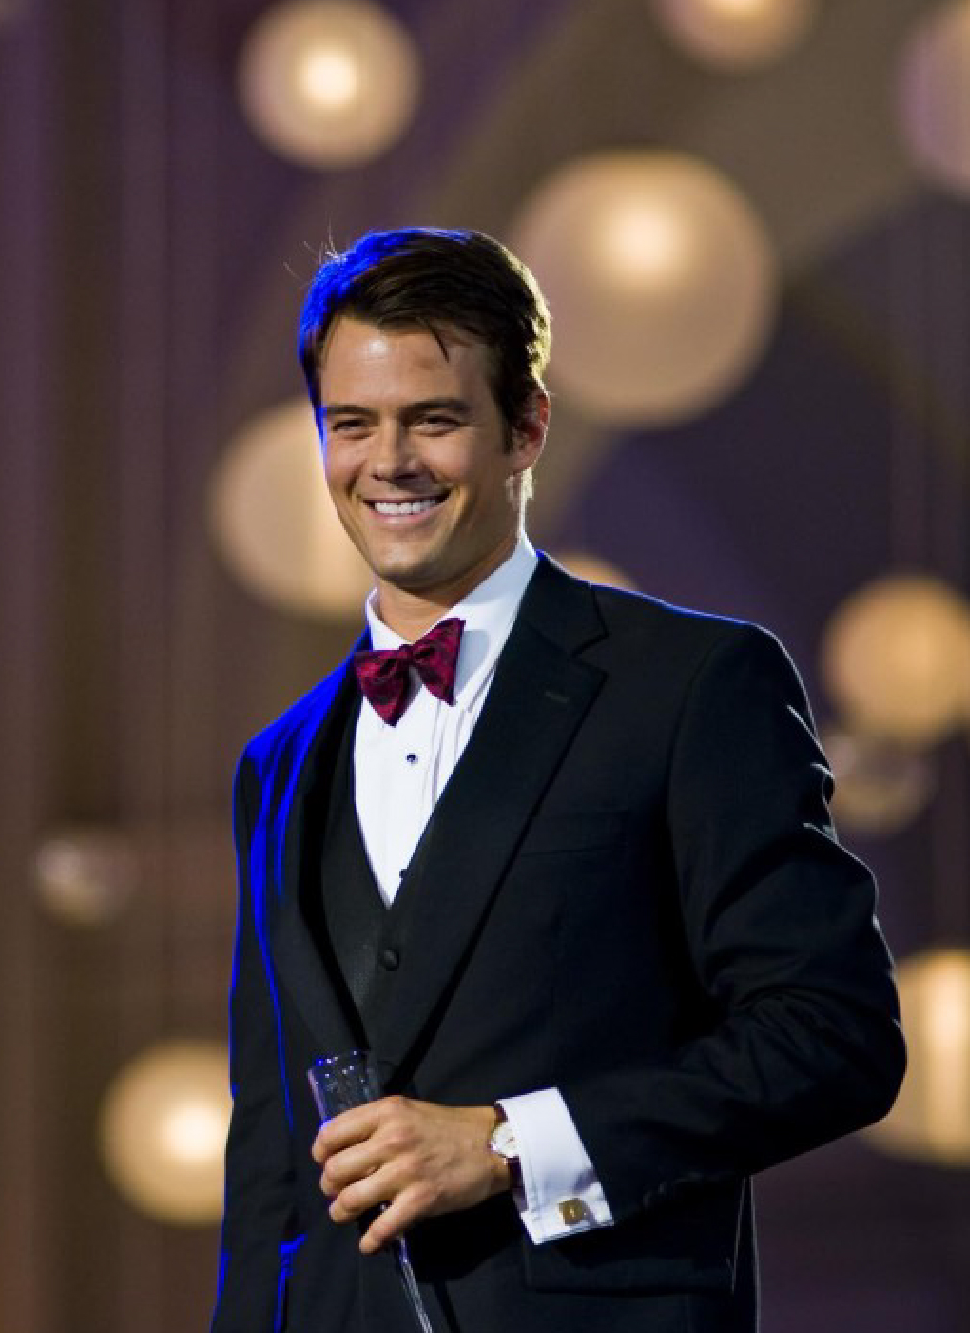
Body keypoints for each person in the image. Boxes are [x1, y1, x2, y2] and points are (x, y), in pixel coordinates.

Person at [210, 227, 904, 1333]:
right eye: (352, 423)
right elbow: (267, 1165)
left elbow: (832, 1037)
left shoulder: (691, 684)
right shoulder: (278, 761)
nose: (388, 461)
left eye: (434, 419)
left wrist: (507, 1143)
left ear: (526, 428)